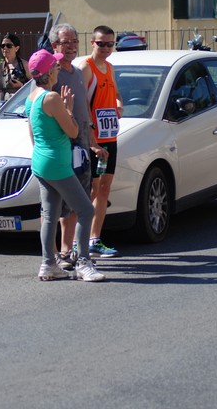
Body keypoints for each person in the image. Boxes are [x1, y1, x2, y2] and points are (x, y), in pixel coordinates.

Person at [25, 48, 105, 282]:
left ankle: (48, 264)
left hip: (41, 162)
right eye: (56, 67)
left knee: (49, 215)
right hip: (57, 164)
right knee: (86, 210)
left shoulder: (33, 97)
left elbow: (31, 131)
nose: (58, 70)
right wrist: (68, 109)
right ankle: (83, 264)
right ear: (49, 73)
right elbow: (73, 131)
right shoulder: (52, 98)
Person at [49, 23, 107, 268]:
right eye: (66, 42)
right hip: (63, 145)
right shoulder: (51, 73)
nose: (72, 46)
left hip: (81, 146)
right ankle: (57, 256)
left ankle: (67, 249)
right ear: (54, 45)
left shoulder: (75, 71)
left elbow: (83, 108)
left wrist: (92, 140)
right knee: (60, 205)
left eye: (74, 41)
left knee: (79, 200)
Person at [79, 25, 124, 258]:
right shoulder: (86, 68)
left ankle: (95, 239)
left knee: (105, 188)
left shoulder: (110, 68)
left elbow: (116, 94)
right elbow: (83, 105)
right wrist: (92, 139)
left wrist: (118, 104)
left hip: (110, 137)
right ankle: (81, 241)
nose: (106, 48)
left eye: (110, 44)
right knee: (92, 190)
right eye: (101, 43)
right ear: (92, 43)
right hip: (94, 139)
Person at [0, 33, 31, 100]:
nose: (5, 48)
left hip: (20, 104)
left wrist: (21, 86)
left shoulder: (24, 65)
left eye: (9, 46)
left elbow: (34, 85)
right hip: (4, 105)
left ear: (16, 48)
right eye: (2, 46)